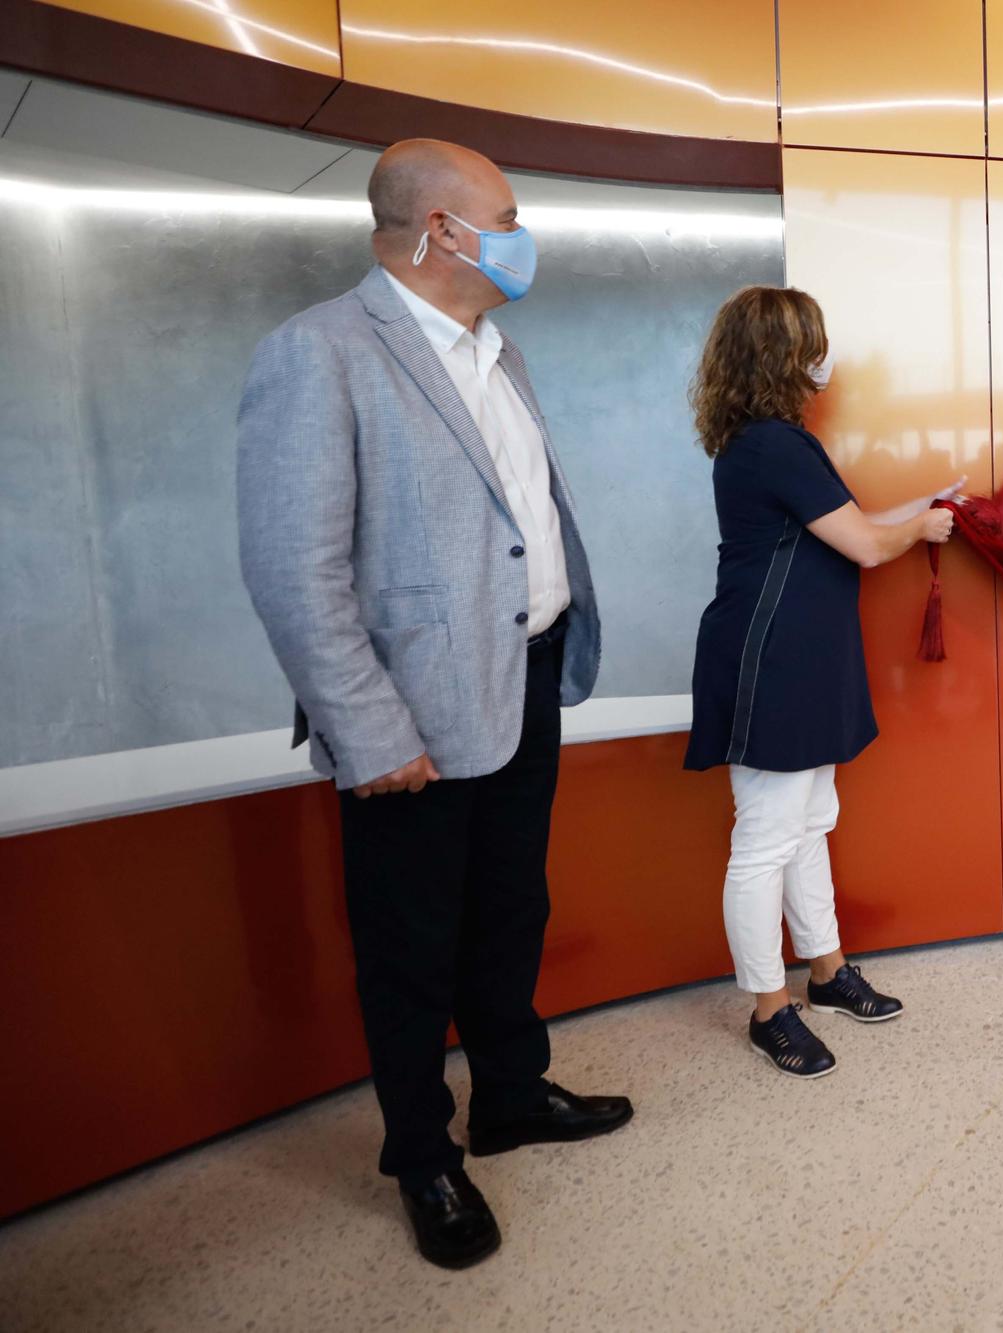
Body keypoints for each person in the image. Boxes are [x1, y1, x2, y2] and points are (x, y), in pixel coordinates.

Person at [237, 140, 632, 1269]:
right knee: (409, 950)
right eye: (505, 216)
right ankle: (424, 1156)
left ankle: (510, 1094)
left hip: (528, 678)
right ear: (442, 233)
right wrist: (369, 731)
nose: (521, 235)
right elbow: (292, 569)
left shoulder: (498, 353)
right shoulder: (318, 354)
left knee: (512, 910)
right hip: (407, 722)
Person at [683, 286, 958, 1079]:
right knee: (766, 836)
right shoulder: (771, 444)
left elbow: (855, 526)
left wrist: (927, 509)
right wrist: (920, 528)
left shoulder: (772, 441)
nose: (822, 357)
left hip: (800, 655)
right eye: (812, 341)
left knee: (809, 821)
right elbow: (870, 548)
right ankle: (770, 1010)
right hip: (770, 659)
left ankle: (828, 972)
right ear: (783, 353)